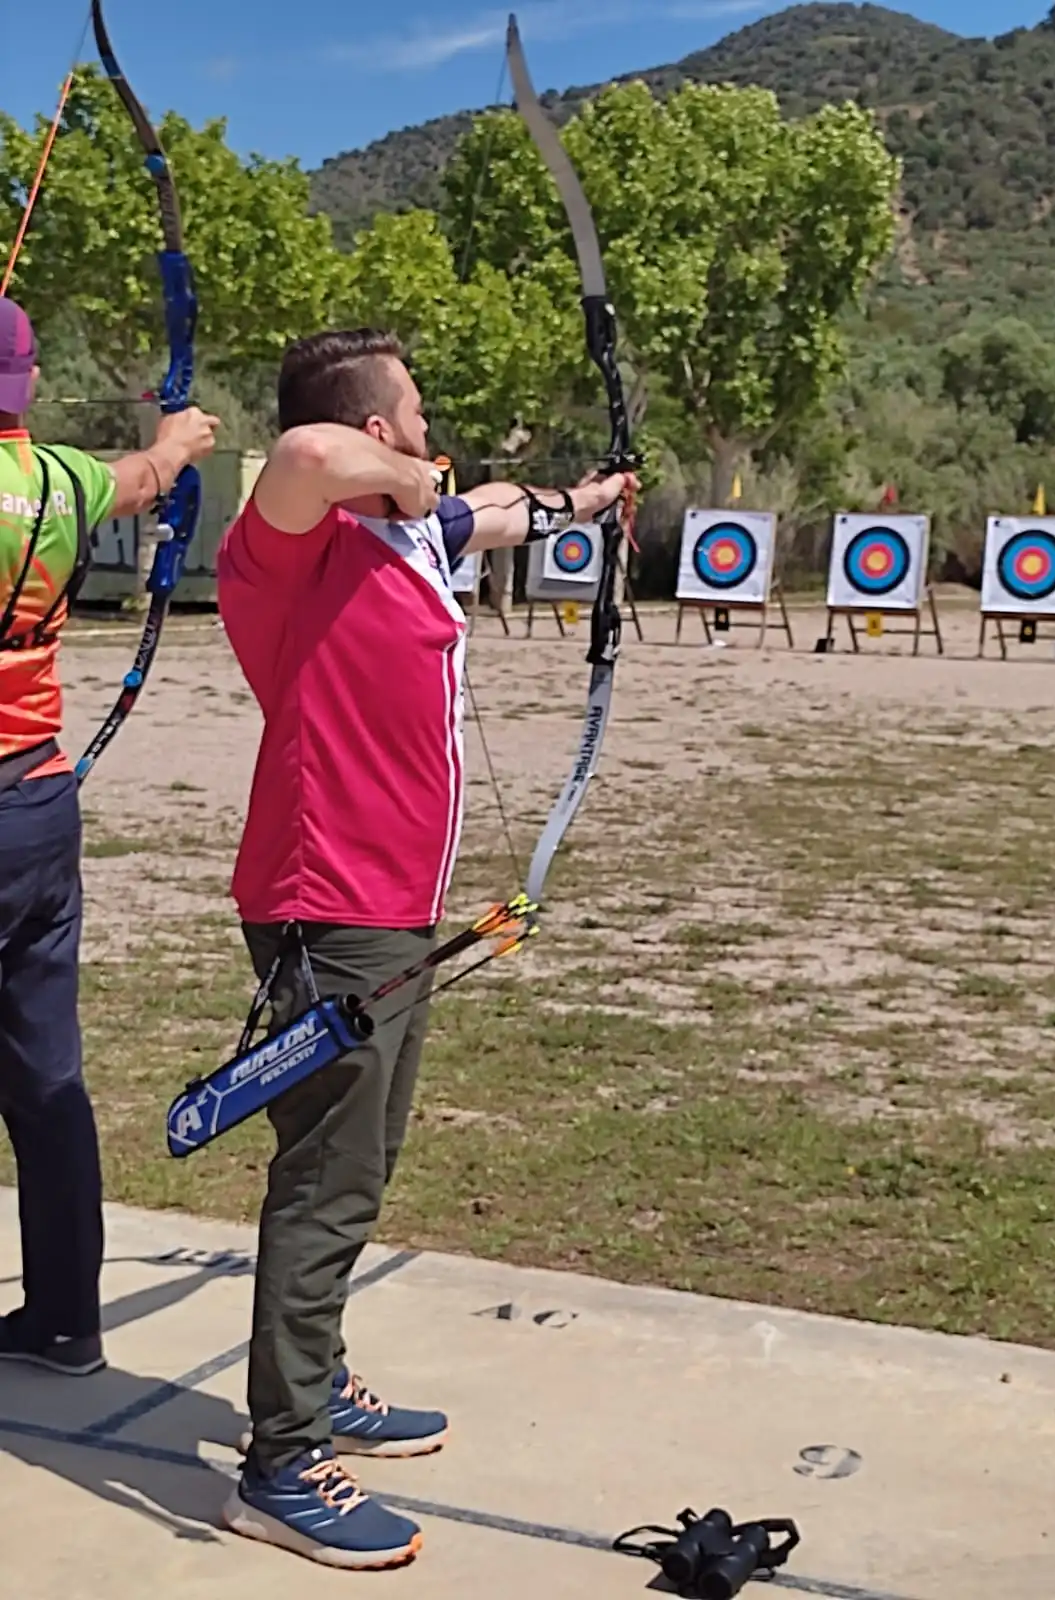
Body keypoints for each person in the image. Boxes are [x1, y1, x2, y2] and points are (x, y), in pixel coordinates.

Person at [216, 326, 634, 1570]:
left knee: (370, 1151)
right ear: (381, 431)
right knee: (327, 1175)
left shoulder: (407, 540)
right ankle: (281, 1460)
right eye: (416, 411)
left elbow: (493, 514)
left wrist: (585, 499)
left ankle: (321, 1373)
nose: (432, 429)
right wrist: (407, 484)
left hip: (393, 906)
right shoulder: (289, 548)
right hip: (322, 903)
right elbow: (300, 449)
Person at [0, 296, 219, 1376]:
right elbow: (148, 473)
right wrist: (179, 436)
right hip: (37, 805)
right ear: (28, 386)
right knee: (45, 1076)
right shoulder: (62, 481)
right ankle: (64, 1319)